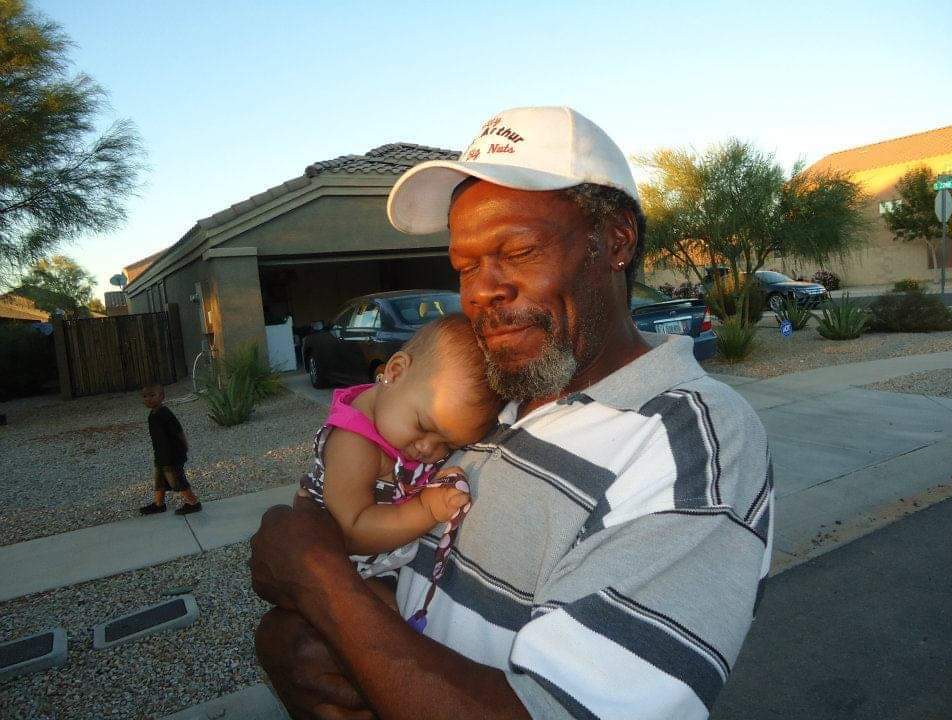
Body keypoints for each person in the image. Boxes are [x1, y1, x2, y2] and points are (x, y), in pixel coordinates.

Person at [250, 106, 772, 720]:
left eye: (518, 250)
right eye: (465, 266)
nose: (480, 291)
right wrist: (318, 639)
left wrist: (320, 585)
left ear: (617, 242)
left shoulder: (690, 444)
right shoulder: (487, 399)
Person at [296, 314, 502, 622]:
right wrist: (427, 509)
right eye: (422, 425)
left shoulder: (397, 418)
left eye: (447, 446)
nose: (427, 449)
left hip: (382, 562)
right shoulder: (355, 444)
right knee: (385, 620)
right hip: (343, 566)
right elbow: (350, 531)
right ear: (394, 372)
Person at [139, 383, 202, 515]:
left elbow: (179, 431)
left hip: (172, 455)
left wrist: (184, 446)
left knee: (176, 479)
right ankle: (159, 504)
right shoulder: (153, 415)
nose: (148, 399)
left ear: (162, 396)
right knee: (160, 479)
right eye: (145, 396)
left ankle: (193, 503)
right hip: (161, 454)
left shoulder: (165, 413)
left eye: (152, 395)